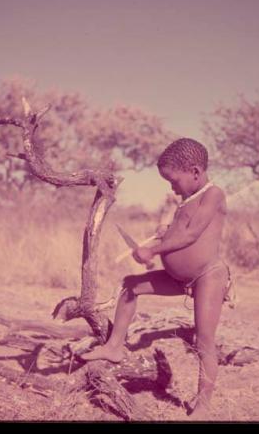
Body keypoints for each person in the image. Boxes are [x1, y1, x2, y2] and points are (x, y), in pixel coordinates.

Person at [81, 138, 233, 419]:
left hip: (207, 277)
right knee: (130, 285)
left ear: (196, 172)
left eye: (173, 180)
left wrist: (152, 248)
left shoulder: (214, 195)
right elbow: (178, 236)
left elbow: (192, 235)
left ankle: (203, 406)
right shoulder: (185, 201)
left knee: (204, 341)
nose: (171, 187)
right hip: (178, 278)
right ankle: (114, 346)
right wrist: (159, 240)